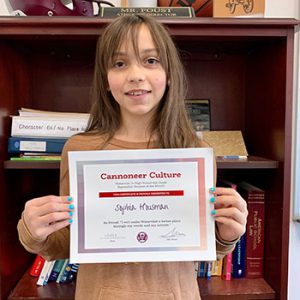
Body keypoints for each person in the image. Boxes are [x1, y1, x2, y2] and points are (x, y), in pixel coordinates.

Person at [17, 14, 248, 300]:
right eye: (120, 63)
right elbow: (67, 243)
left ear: (170, 74)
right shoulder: (80, 150)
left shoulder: (192, 152)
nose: (136, 75)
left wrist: (227, 233)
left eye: (151, 61)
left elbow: (204, 244)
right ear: (105, 78)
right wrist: (32, 230)